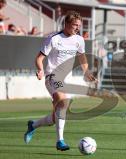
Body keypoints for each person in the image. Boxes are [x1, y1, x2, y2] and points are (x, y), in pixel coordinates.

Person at [23, 11, 96, 151]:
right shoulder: (54, 38)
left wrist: (86, 71)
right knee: (63, 103)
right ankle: (60, 141)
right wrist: (40, 70)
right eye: (75, 25)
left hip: (66, 80)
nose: (77, 28)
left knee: (57, 115)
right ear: (66, 24)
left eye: (79, 25)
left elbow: (82, 57)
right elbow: (39, 58)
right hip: (52, 76)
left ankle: (33, 125)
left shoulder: (79, 40)